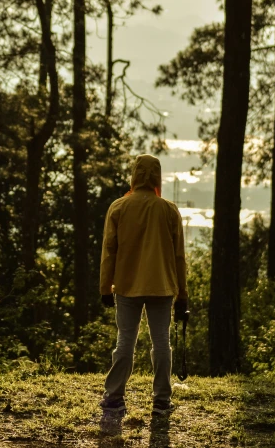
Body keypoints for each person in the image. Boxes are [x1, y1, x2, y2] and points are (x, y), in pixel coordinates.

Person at [99, 154, 189, 416]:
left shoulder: (118, 208)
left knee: (125, 341)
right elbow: (179, 256)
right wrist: (182, 293)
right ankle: (162, 400)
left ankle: (115, 399)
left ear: (134, 175)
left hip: (126, 285)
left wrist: (106, 288)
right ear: (157, 177)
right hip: (162, 286)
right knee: (161, 342)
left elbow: (109, 251)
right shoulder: (169, 210)